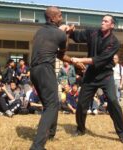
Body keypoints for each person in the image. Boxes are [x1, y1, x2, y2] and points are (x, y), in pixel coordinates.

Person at [64, 14, 123, 143]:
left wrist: (80, 60)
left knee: (113, 102)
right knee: (82, 103)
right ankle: (80, 129)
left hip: (106, 75)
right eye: (102, 20)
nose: (102, 23)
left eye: (106, 21)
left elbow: (98, 60)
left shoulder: (114, 42)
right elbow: (78, 36)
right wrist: (70, 32)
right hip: (91, 75)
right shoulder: (93, 32)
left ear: (112, 25)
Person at [30, 6, 85, 150]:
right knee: (52, 105)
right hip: (45, 69)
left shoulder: (39, 31)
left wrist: (74, 61)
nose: (62, 18)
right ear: (52, 18)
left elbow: (57, 53)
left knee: (52, 102)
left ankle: (51, 133)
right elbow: (62, 52)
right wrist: (67, 33)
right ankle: (37, 146)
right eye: (60, 16)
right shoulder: (59, 34)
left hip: (34, 70)